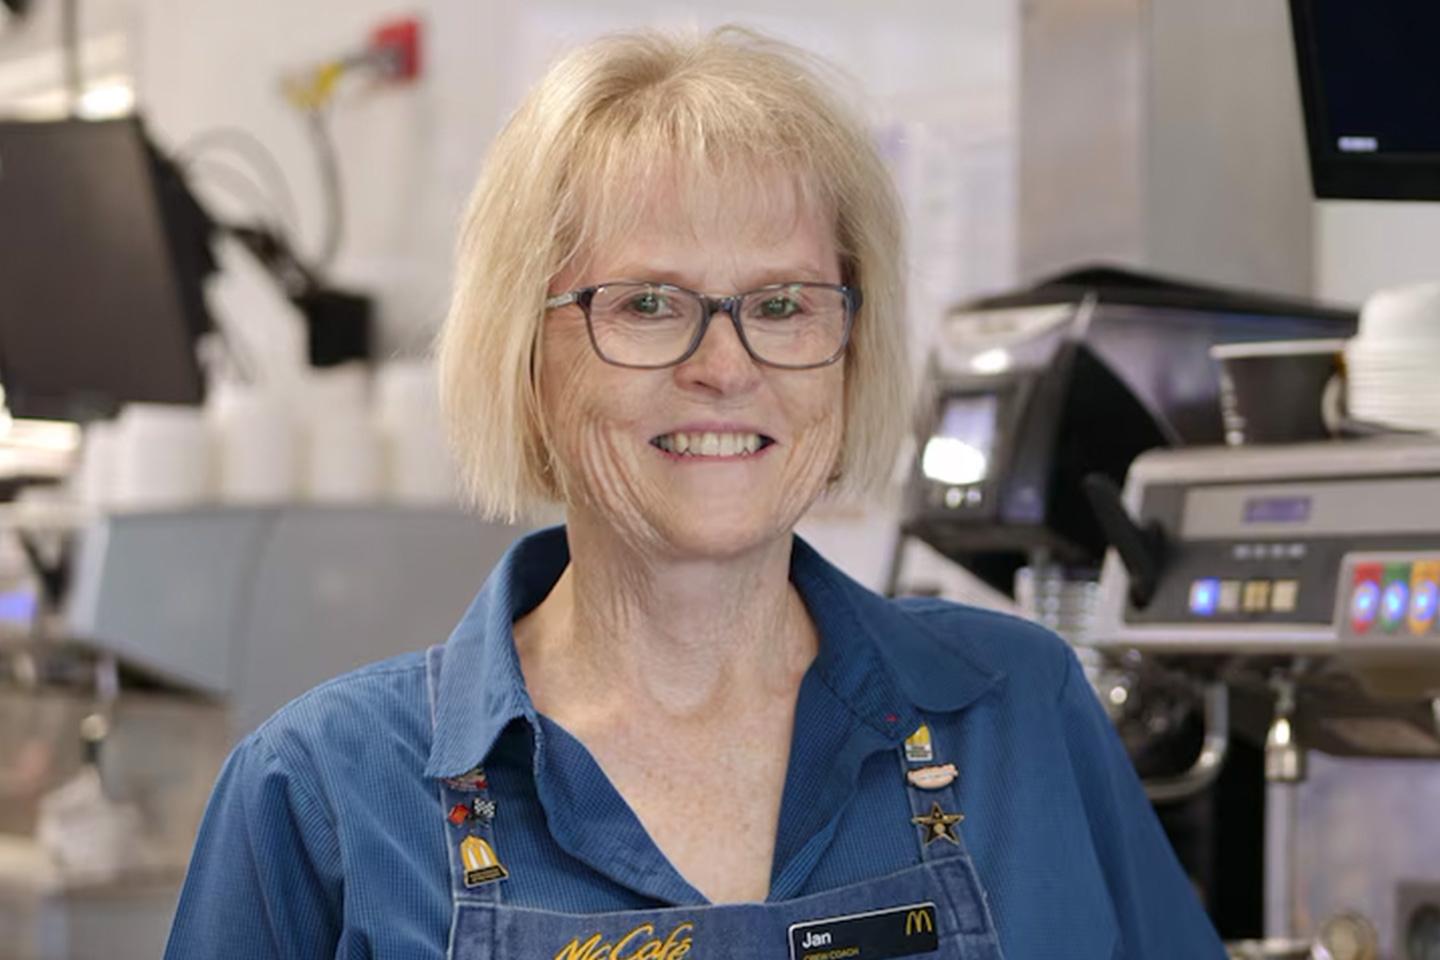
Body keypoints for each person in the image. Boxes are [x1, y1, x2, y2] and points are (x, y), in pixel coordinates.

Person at [165, 26, 1227, 960]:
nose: (726, 365)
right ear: (524, 358)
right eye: (646, 303)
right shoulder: (323, 796)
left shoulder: (1015, 716)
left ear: (850, 352)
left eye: (781, 302)